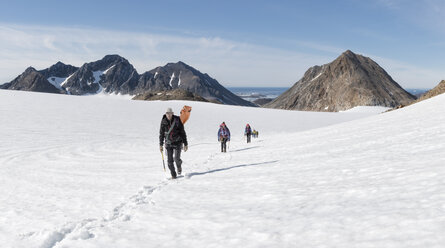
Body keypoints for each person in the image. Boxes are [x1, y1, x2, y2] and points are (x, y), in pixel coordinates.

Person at [159, 107, 188, 179]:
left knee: (177, 158)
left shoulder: (177, 120)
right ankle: (173, 175)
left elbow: (182, 132)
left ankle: (179, 166)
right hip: (168, 143)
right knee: (169, 161)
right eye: (167, 113)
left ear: (172, 113)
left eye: (170, 113)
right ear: (165, 114)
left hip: (178, 142)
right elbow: (161, 134)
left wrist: (185, 143)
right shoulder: (163, 122)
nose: (168, 115)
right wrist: (160, 144)